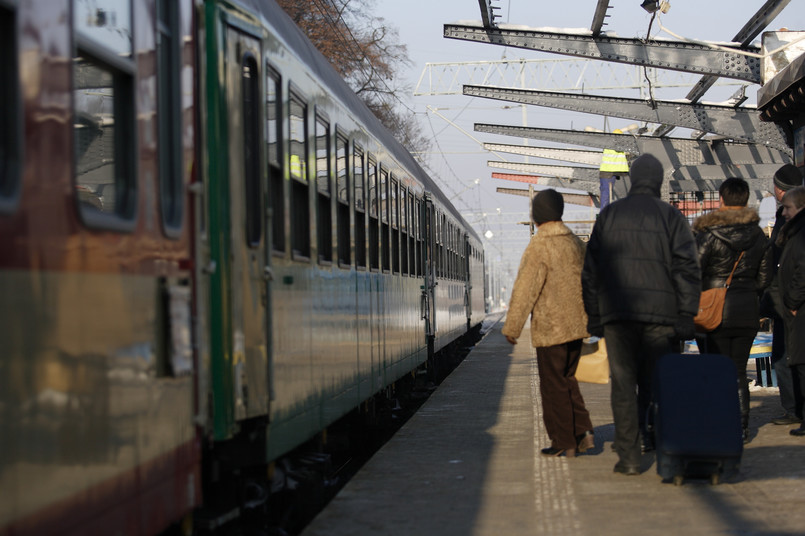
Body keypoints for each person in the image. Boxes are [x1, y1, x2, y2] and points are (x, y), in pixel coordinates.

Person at [582, 153, 701, 475]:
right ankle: (665, 450)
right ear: (658, 182)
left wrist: (594, 315)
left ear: (633, 180)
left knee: (623, 385)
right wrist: (686, 313)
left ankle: (630, 458)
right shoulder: (670, 216)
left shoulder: (609, 215)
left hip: (618, 316)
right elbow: (687, 268)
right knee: (660, 385)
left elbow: (591, 270)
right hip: (661, 319)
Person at [502, 189, 595, 458]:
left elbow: (525, 289)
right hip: (577, 326)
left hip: (551, 328)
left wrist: (512, 327)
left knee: (553, 385)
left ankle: (563, 441)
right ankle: (583, 432)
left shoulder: (539, 245)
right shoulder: (575, 243)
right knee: (568, 380)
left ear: (537, 215)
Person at [691, 178, 772, 442]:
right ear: (746, 201)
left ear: (722, 201)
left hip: (713, 311)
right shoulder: (759, 235)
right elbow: (764, 278)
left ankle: (717, 423)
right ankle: (742, 426)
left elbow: (695, 270)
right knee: (737, 371)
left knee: (714, 369)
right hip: (747, 310)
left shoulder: (708, 234)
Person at [762, 164, 803, 426]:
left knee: (787, 356)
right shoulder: (785, 220)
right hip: (785, 301)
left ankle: (794, 409)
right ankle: (793, 408)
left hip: (790, 303)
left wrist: (790, 301)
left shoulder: (795, 227)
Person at [776, 186, 805, 436]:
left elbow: (802, 270)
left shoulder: (801, 233)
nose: (784, 212)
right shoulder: (796, 231)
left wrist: (793, 302)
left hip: (800, 309)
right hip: (796, 307)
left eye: (788, 208)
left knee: (802, 362)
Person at [598, 129, 629, 208]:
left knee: (606, 194)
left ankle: (604, 214)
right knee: (606, 195)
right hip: (608, 172)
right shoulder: (616, 145)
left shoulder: (608, 144)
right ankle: (604, 215)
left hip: (609, 172)